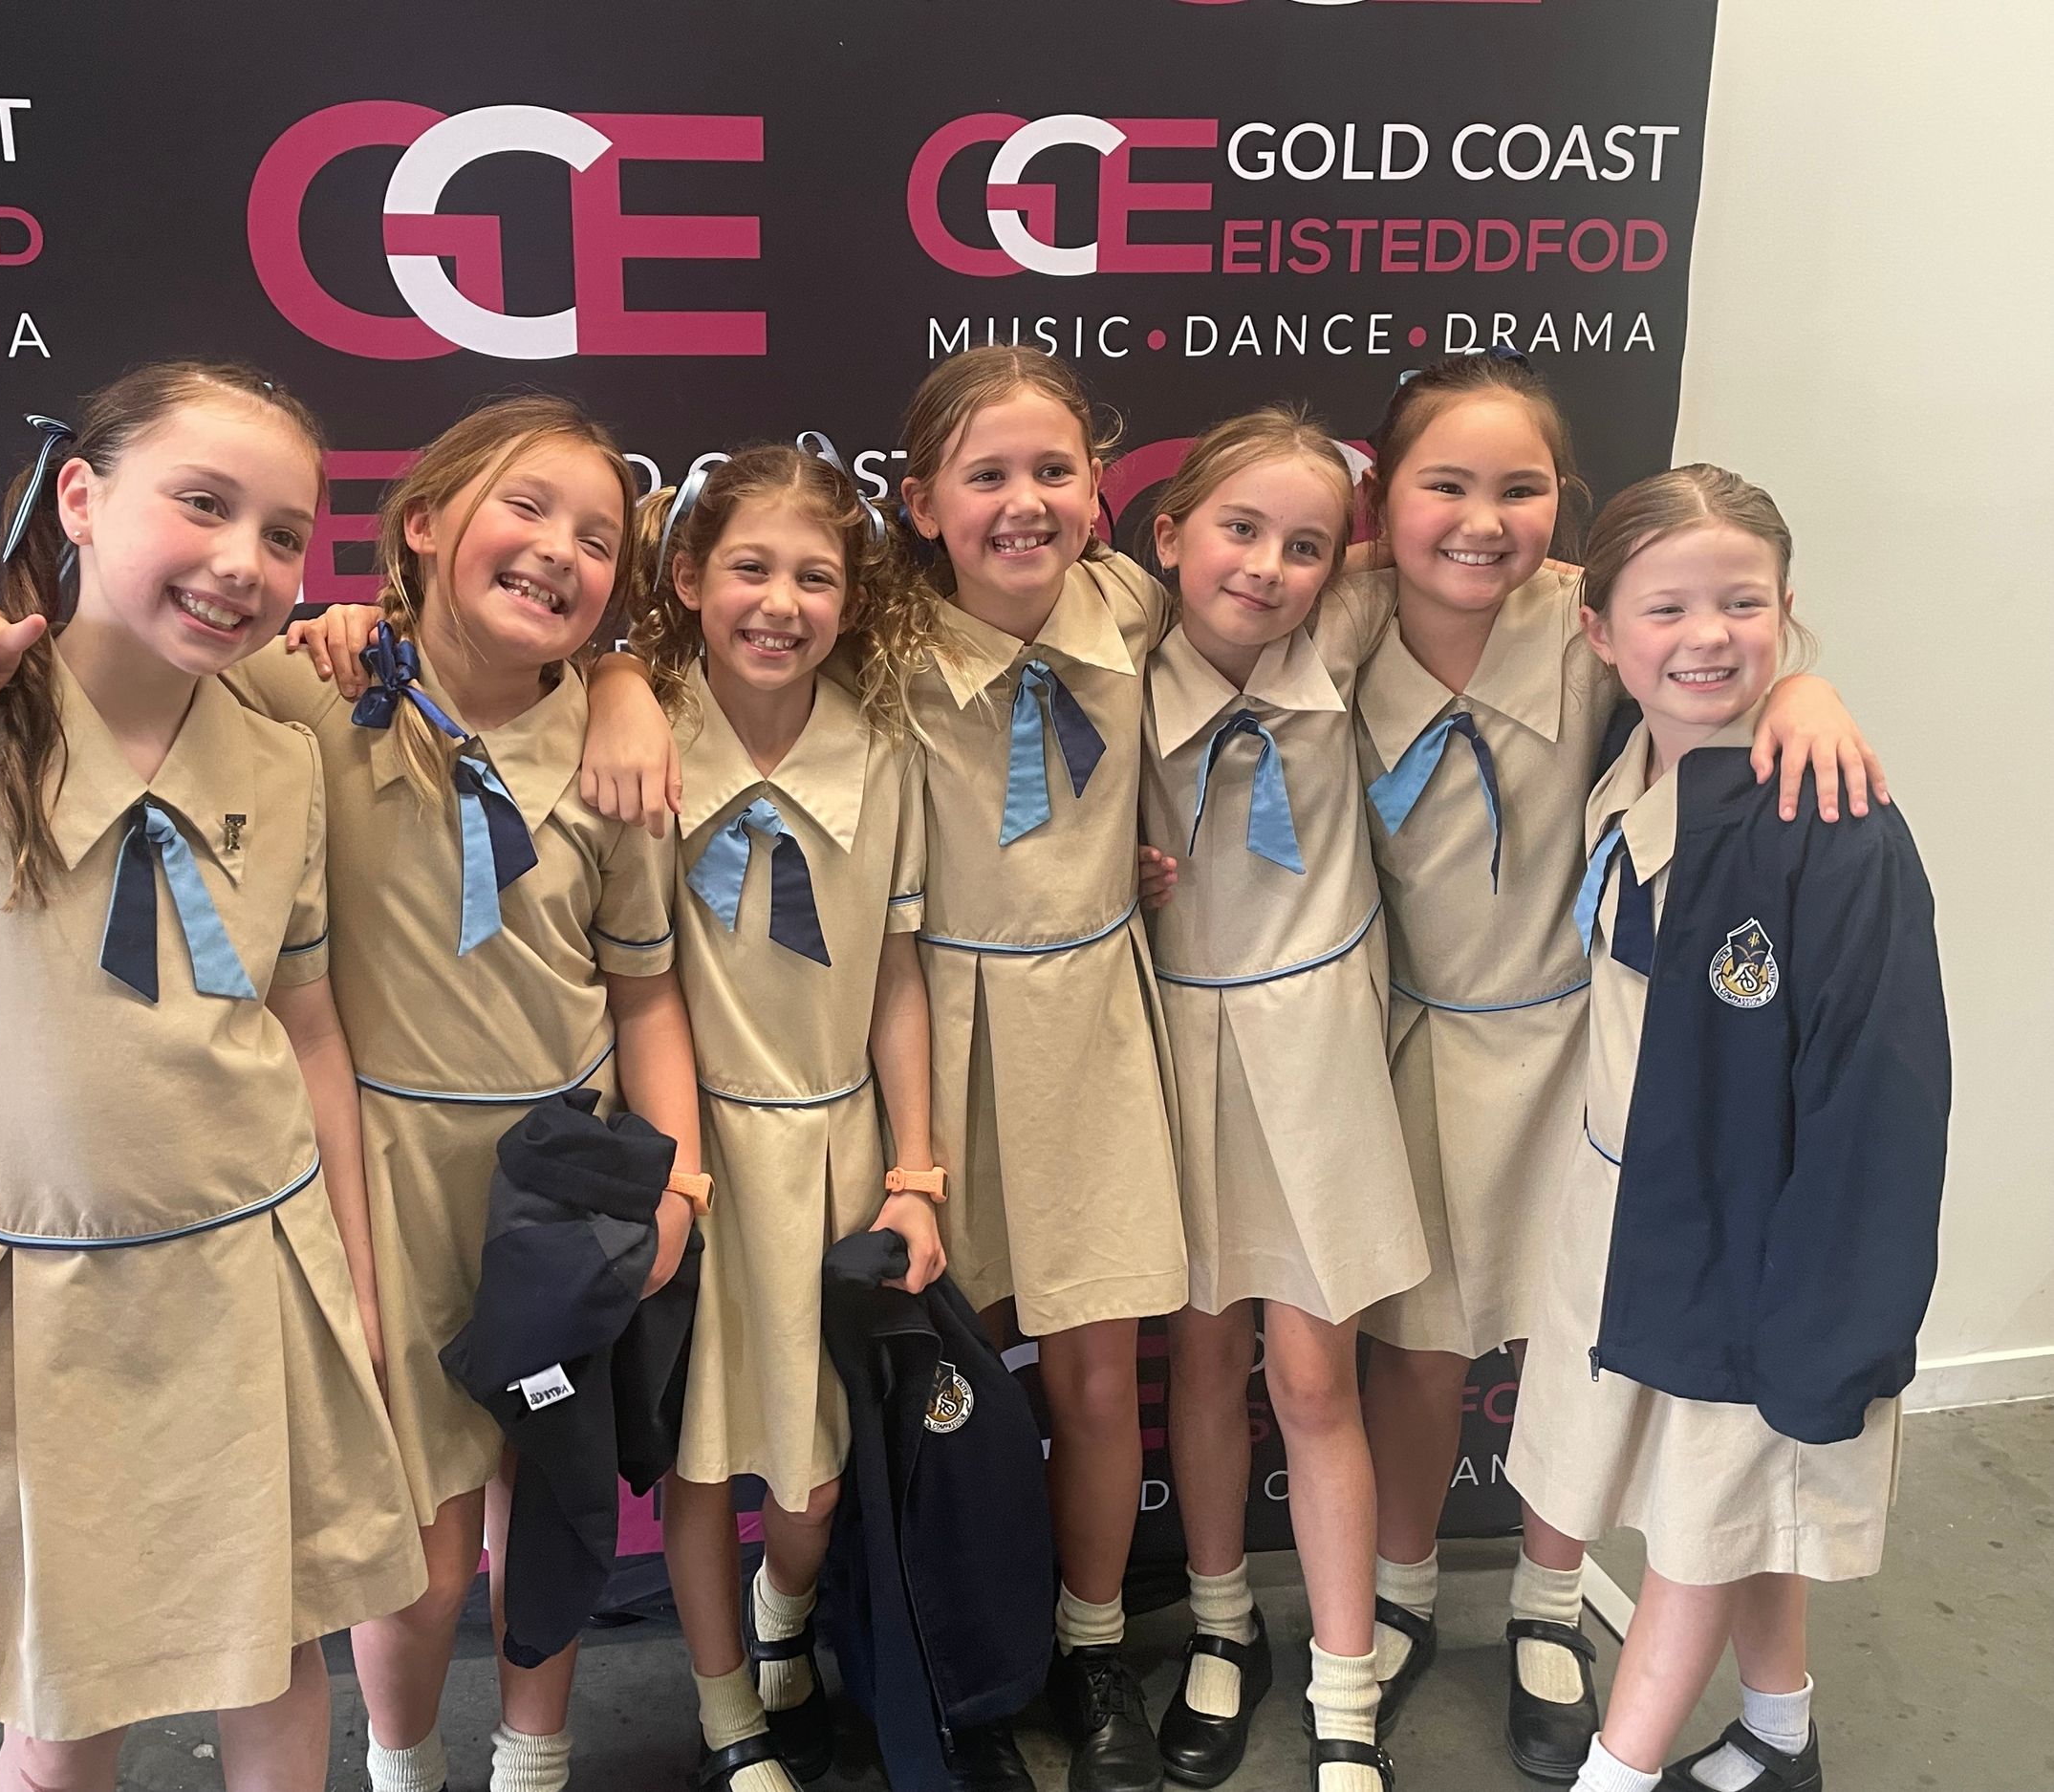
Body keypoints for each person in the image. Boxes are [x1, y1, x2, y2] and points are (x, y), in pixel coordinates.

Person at [0, 394, 703, 1792]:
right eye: (524, 508)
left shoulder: (619, 746)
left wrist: (674, 1175)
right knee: (413, 1557)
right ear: (423, 523)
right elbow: (119, 668)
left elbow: (642, 990)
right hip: (373, 1175)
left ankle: (537, 1759)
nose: (560, 551)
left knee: (557, 1503)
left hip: (562, 1179)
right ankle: (402, 1765)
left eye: (598, 538)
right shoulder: (301, 689)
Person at [0, 362, 425, 1792]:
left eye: (285, 535)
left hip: (259, 1279)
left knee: (281, 1652)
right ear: (79, 496)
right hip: (43, 1311)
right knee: (63, 1702)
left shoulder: (280, 761)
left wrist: (355, 1287)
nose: (243, 563)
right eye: (203, 504)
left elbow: (308, 1032)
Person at [578, 346, 1186, 1792]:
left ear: (1101, 488)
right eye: (987, 475)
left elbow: (1287, 589)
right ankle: (880, 1653)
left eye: (1055, 470)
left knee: (1091, 1375)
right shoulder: (875, 653)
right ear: (920, 504)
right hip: (881, 1072)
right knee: (905, 1397)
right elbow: (664, 653)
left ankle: (1086, 1646)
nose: (1024, 501)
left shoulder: (1126, 603)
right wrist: (613, 674)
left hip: (1068, 1036)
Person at [1344, 352, 1883, 1783]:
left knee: (1575, 1349)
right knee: (1421, 1344)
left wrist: (1808, 687)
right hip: (1414, 1037)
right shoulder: (1341, 616)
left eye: (1519, 489)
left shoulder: (1580, 619)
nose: (1481, 521)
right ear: (1382, 501)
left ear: (1562, 507)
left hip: (1577, 1050)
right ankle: (1402, 1590)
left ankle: (1546, 1599)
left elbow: (1711, 618)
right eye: (1444, 487)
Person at [1509, 465, 1946, 1792]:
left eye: (1744, 604)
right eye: (1668, 609)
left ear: (1788, 610)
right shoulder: (1633, 751)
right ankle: (1778, 1734)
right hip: (1631, 1202)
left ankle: (1620, 1773)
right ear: (1600, 633)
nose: (1707, 636)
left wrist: (1837, 1318)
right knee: (1733, 1503)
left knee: (1701, 1525)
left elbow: (1879, 1092)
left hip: (1756, 1241)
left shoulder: (1834, 827)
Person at [629, 440, 947, 1790]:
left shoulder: (881, 752)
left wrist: (916, 1171)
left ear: (851, 599)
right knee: (703, 1464)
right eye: (749, 568)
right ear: (689, 579)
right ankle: (728, 1719)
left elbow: (896, 975)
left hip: (834, 1152)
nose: (781, 603)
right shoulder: (639, 736)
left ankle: (785, 1611)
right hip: (695, 1154)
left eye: (815, 577)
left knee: (809, 1481)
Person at [1133, 406, 1425, 1792]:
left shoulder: (1350, 634)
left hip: (1319, 1061)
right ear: (1169, 534)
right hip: (1182, 1048)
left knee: (1314, 1378)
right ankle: (1221, 1622)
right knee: (1201, 1362)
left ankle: (1346, 1681)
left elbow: (1499, 571)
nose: (1267, 566)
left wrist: (1798, 679)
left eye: (1306, 545)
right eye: (1239, 530)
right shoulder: (1113, 661)